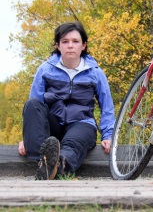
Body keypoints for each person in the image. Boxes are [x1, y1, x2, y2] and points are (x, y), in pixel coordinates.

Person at [18, 21, 115, 180]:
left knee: (71, 145)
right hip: (53, 124)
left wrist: (108, 135)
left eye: (75, 41)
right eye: (65, 41)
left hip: (82, 123)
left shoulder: (95, 73)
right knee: (32, 104)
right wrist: (27, 138)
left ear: (83, 45)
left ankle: (58, 168)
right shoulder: (45, 69)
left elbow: (107, 107)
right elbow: (34, 107)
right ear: (58, 45)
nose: (70, 45)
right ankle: (41, 162)